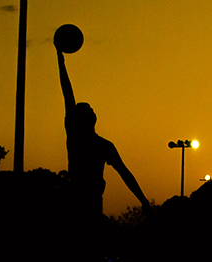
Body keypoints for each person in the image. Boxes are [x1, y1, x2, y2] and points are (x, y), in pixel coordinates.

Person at [56, 46, 150, 224]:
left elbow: (125, 173)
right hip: (75, 200)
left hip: (93, 202)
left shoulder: (105, 145)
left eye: (91, 107)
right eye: (84, 108)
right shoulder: (76, 135)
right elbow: (67, 93)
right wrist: (60, 61)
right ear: (79, 118)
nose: (90, 109)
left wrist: (143, 199)